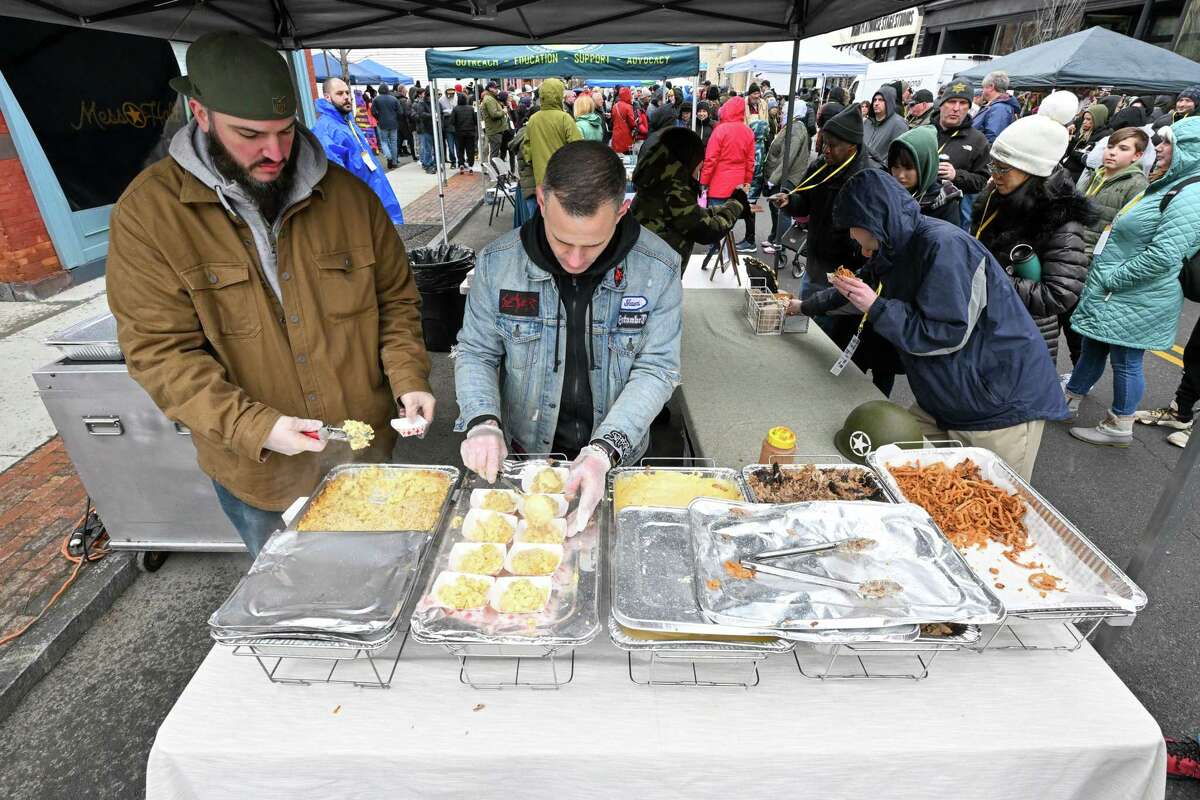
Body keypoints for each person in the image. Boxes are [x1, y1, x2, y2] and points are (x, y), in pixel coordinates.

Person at [106, 32, 434, 556]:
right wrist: (257, 425)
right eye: (250, 134)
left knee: (376, 574)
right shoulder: (149, 215)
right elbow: (160, 354)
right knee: (293, 613)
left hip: (363, 452)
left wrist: (409, 378)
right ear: (201, 112)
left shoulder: (350, 199)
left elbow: (395, 302)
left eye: (285, 131)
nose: (275, 152)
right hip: (260, 476)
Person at [455, 141, 682, 532]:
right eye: (562, 240)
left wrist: (604, 451)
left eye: (593, 243)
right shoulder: (497, 265)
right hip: (527, 453)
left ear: (622, 210)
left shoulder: (659, 269)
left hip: (615, 458)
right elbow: (476, 352)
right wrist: (482, 421)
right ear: (541, 201)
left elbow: (658, 369)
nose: (575, 261)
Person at [791, 169, 1068, 480]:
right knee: (895, 469)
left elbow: (944, 333)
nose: (857, 243)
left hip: (998, 404)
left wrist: (877, 306)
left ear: (874, 220)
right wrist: (801, 307)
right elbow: (852, 287)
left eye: (856, 231)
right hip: (945, 397)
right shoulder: (894, 246)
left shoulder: (944, 246)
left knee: (984, 506)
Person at [1066, 119, 1200, 446]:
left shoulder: (1191, 193)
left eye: (1169, 143)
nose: (1161, 149)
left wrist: (1113, 278)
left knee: (1126, 360)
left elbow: (1164, 255)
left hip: (1135, 293)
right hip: (1119, 291)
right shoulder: (1173, 183)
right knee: (1094, 345)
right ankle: (1070, 398)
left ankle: (1119, 424)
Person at [972, 115, 1091, 365]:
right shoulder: (995, 197)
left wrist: (989, 277)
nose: (994, 175)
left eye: (1003, 168)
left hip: (1021, 337)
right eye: (993, 165)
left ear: (1032, 169)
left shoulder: (1062, 221)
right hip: (983, 323)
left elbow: (1059, 295)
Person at [771, 104, 869, 321]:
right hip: (815, 261)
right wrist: (789, 201)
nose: (825, 149)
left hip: (843, 272)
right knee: (806, 321)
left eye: (833, 146)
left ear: (852, 147)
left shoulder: (865, 178)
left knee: (827, 330)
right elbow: (804, 202)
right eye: (824, 142)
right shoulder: (821, 165)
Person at [1068, 128, 1150, 370]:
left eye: (1123, 148)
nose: (1112, 153)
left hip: (1094, 264)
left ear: (1137, 156)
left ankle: (1078, 377)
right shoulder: (1096, 174)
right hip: (1073, 254)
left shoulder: (1137, 186)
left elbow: (1128, 234)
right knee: (1065, 319)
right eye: (1110, 146)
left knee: (1078, 325)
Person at [630, 127, 746, 272]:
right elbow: (706, 230)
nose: (700, 167)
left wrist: (722, 208)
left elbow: (693, 214)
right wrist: (736, 204)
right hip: (658, 276)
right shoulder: (675, 190)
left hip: (646, 268)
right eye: (699, 162)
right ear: (687, 159)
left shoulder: (658, 179)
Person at [313, 78, 404, 224]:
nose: (346, 97)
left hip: (375, 197)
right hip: (361, 208)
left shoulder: (347, 122)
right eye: (340, 94)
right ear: (328, 97)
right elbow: (337, 181)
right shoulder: (327, 130)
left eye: (347, 93)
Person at [700, 96, 757, 255]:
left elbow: (710, 159)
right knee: (729, 224)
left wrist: (703, 181)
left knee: (714, 224)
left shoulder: (720, 130)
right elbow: (750, 161)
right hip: (737, 187)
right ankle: (725, 257)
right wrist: (747, 183)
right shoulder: (748, 132)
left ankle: (715, 255)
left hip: (718, 186)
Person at [933, 81, 991, 231]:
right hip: (913, 207)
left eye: (963, 103)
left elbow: (982, 182)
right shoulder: (925, 131)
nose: (956, 108)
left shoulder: (978, 140)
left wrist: (956, 175)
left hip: (948, 220)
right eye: (952, 101)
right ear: (941, 104)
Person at [523, 78, 583, 216]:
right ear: (558, 96)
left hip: (541, 179)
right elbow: (578, 147)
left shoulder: (533, 120)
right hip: (563, 177)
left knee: (544, 215)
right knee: (562, 215)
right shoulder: (565, 118)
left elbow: (527, 151)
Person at [762, 101, 811, 256]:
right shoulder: (792, 126)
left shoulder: (796, 128)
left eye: (784, 110)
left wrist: (773, 178)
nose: (781, 112)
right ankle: (773, 238)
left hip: (788, 177)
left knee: (782, 210)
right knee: (775, 207)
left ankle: (779, 245)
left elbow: (788, 156)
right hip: (784, 175)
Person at [888, 125, 962, 225]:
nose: (901, 175)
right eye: (896, 167)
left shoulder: (946, 203)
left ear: (926, 165)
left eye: (908, 168)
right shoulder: (886, 191)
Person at [1062, 103, 1111, 182]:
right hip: (1068, 170)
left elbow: (1085, 157)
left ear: (1097, 120)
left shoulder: (1103, 135)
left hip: (1079, 175)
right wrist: (1070, 137)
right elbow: (1071, 151)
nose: (1084, 122)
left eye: (1088, 119)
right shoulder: (1084, 131)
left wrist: (1075, 150)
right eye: (1084, 119)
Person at [863, 85, 909, 169]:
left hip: (881, 174)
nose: (876, 103)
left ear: (889, 102)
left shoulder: (898, 124)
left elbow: (900, 156)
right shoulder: (867, 122)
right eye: (874, 100)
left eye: (881, 100)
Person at [973, 71, 1021, 144]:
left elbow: (992, 139)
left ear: (991, 86)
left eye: (983, 87)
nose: (982, 91)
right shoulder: (997, 106)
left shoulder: (1000, 108)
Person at [370, 84, 402, 169]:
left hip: (382, 123)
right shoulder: (394, 99)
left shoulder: (376, 99)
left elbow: (373, 112)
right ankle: (394, 162)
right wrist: (395, 118)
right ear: (388, 90)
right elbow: (400, 112)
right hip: (394, 123)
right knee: (394, 143)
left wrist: (378, 117)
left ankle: (389, 157)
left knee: (384, 142)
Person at [480, 81, 510, 164]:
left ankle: (496, 171)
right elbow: (494, 114)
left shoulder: (491, 98)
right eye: (495, 88)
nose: (497, 89)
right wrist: (503, 111)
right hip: (494, 130)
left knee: (495, 153)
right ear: (490, 88)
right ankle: (495, 172)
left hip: (496, 129)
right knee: (494, 154)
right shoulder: (489, 99)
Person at [610, 86, 641, 155]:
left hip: (616, 135)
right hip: (625, 136)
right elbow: (632, 124)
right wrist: (636, 122)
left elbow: (613, 120)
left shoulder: (615, 106)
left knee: (617, 156)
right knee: (627, 157)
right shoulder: (628, 107)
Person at [450, 92, 477, 172]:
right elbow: (475, 120)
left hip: (459, 133)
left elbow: (452, 121)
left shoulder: (455, 109)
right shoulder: (471, 108)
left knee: (460, 149)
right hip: (470, 132)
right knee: (470, 149)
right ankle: (470, 165)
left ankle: (461, 163)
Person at [413, 88, 436, 174]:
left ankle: (431, 164)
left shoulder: (433, 102)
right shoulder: (421, 103)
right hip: (425, 128)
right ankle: (427, 164)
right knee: (427, 148)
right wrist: (433, 115)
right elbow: (421, 114)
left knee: (430, 148)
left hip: (432, 128)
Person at [438, 86, 459, 169]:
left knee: (458, 146)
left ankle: (460, 161)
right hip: (447, 127)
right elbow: (440, 113)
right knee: (450, 146)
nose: (450, 95)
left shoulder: (457, 98)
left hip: (456, 126)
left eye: (452, 93)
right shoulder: (441, 100)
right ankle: (453, 161)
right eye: (448, 93)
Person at [394, 85, 416, 162]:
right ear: (402, 91)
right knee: (411, 140)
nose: (407, 91)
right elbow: (406, 113)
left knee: (398, 142)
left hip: (398, 123)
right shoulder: (403, 100)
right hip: (405, 123)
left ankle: (394, 159)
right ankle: (415, 156)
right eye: (405, 90)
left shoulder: (395, 99)